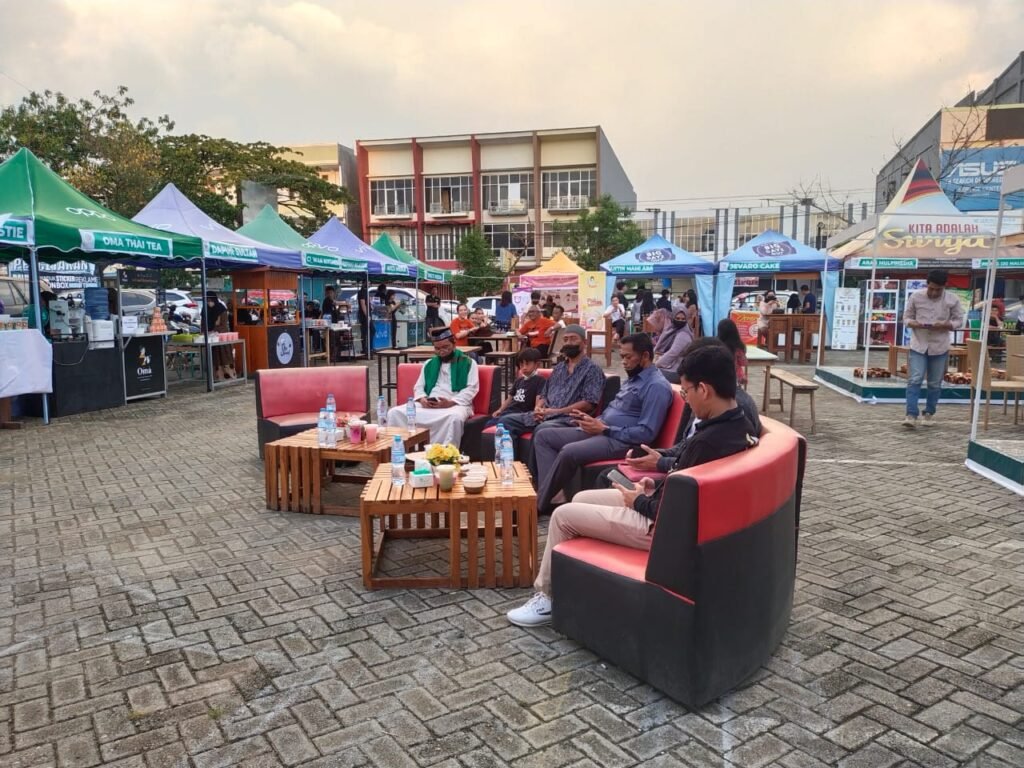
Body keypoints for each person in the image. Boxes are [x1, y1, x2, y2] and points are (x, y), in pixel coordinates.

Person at [507, 343, 756, 627]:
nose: (685, 400)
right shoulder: (737, 426)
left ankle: (547, 597)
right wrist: (652, 485)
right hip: (668, 508)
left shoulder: (707, 440)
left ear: (704, 390)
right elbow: (685, 481)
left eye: (686, 392)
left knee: (563, 517)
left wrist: (637, 500)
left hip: (661, 529)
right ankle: (574, 585)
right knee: (582, 497)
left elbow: (671, 508)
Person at [531, 334, 673, 516]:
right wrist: (593, 421)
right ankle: (553, 497)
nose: (623, 362)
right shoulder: (634, 378)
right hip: (602, 430)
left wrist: (605, 429)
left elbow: (646, 433)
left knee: (569, 451)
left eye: (628, 357)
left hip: (622, 442)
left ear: (645, 356)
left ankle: (539, 504)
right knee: (544, 436)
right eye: (621, 356)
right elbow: (615, 410)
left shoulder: (656, 386)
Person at [600, 337, 761, 486]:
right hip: (677, 477)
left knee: (602, 479)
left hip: (678, 485)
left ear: (703, 386)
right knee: (608, 475)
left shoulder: (728, 412)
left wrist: (658, 467)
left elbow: (698, 466)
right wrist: (658, 455)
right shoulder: (715, 405)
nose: (685, 398)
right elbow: (685, 446)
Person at [511, 324, 605, 447]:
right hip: (546, 416)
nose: (568, 343)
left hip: (568, 420)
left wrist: (555, 411)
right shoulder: (559, 368)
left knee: (543, 429)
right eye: (565, 339)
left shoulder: (592, 370)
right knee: (507, 421)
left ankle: (533, 467)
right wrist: (538, 408)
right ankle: (511, 464)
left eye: (573, 338)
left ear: (584, 342)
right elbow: (544, 393)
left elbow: (588, 403)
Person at [386, 328, 480, 445]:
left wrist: (450, 402)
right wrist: (422, 399)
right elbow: (419, 387)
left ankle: (443, 455)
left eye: (445, 347)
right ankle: (402, 451)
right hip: (430, 403)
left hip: (455, 404)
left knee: (454, 418)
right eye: (437, 348)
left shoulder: (469, 363)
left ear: (454, 344)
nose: (442, 351)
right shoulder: (429, 364)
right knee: (394, 413)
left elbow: (472, 388)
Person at [903, 269, 964, 428]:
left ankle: (929, 412)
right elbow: (906, 317)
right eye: (931, 288)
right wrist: (913, 323)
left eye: (938, 289)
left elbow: (959, 320)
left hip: (940, 346)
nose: (934, 292)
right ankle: (911, 414)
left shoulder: (952, 299)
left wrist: (946, 325)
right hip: (919, 344)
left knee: (935, 383)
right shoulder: (916, 296)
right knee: (915, 379)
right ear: (927, 284)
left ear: (945, 286)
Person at [488, 348, 545, 428]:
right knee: (489, 424)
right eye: (521, 364)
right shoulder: (519, 380)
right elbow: (509, 398)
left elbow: (539, 401)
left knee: (503, 423)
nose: (524, 367)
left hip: (522, 414)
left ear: (537, 364)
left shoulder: (540, 381)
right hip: (509, 411)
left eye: (527, 364)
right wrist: (500, 410)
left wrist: (536, 410)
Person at [202, 291, 235, 380]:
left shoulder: (221, 309)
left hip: (221, 337)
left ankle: (228, 376)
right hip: (210, 337)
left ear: (214, 299)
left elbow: (223, 325)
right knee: (214, 358)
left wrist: (214, 330)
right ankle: (215, 377)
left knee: (224, 357)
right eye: (207, 300)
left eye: (210, 300)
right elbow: (203, 323)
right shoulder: (205, 309)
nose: (209, 302)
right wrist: (204, 331)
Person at [653, 308, 693, 375]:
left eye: (683, 319)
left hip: (676, 369)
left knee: (650, 374)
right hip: (670, 364)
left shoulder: (683, 334)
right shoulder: (671, 329)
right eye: (677, 318)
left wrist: (656, 364)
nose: (680, 321)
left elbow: (672, 353)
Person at [717, 318, 748, 387]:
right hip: (733, 379)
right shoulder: (738, 347)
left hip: (718, 378)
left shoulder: (716, 345)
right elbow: (743, 362)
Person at [356, 281, 369, 355]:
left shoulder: (365, 291)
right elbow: (362, 304)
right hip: (364, 315)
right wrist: (367, 315)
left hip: (365, 314)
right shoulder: (362, 292)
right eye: (368, 282)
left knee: (369, 331)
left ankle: (367, 348)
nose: (369, 283)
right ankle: (365, 348)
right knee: (365, 332)